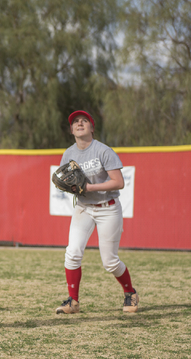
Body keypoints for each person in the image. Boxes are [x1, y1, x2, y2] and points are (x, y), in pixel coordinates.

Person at [55, 110, 139, 314]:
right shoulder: (69, 153)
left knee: (110, 261)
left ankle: (130, 292)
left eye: (84, 121)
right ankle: (73, 302)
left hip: (107, 207)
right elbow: (66, 181)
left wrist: (88, 187)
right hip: (84, 207)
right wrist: (69, 187)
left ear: (92, 128)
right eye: (75, 121)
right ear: (71, 130)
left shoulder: (103, 151)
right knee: (72, 253)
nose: (80, 123)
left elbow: (118, 182)